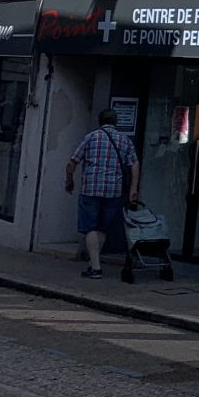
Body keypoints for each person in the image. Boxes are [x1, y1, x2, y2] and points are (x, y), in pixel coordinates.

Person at [65, 109, 139, 280]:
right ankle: (94, 262)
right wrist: (133, 189)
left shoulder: (91, 137)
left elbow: (72, 163)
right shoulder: (124, 140)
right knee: (102, 228)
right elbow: (134, 164)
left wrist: (69, 181)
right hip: (113, 190)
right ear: (116, 121)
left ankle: (96, 267)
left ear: (100, 121)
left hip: (90, 189)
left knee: (89, 227)